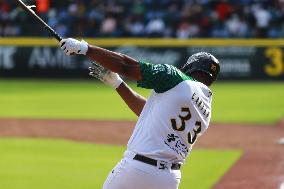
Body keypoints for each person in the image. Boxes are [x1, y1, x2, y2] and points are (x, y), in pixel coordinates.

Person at [59, 38, 220, 189]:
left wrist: (85, 48)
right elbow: (149, 113)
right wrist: (117, 84)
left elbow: (125, 65)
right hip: (169, 179)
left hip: (138, 169)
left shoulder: (176, 78)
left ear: (190, 66)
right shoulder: (206, 108)